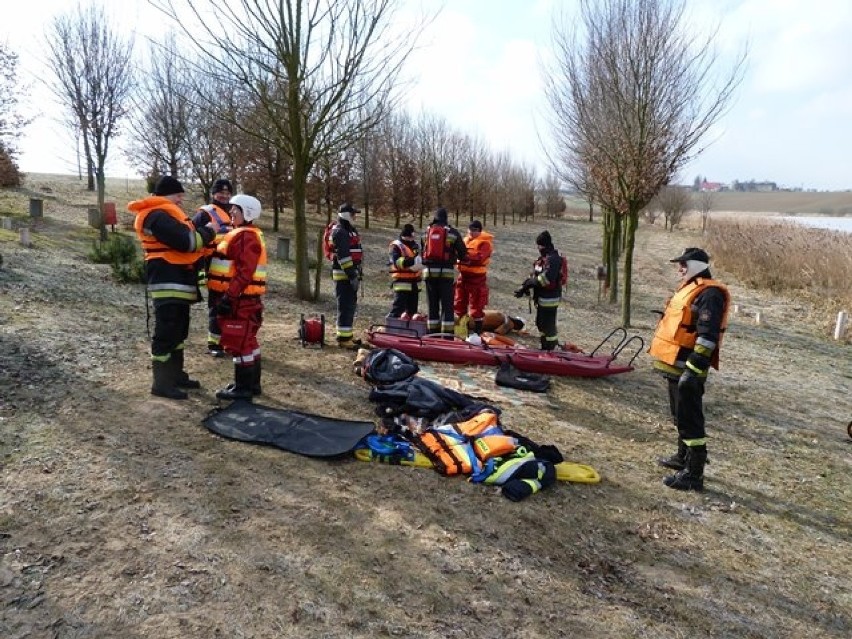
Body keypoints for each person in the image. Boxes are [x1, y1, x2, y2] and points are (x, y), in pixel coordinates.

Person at [649, 247, 730, 491]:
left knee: (691, 420)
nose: (680, 268)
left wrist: (693, 371)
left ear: (696, 265)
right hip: (677, 365)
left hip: (689, 369)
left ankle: (694, 474)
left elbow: (707, 338)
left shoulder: (710, 294)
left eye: (684, 264)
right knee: (679, 415)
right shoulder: (691, 288)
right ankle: (682, 457)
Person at [129, 175, 215, 400]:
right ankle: (161, 382)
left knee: (178, 331)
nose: (180, 199)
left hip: (179, 280)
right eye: (178, 195)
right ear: (166, 194)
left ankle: (176, 375)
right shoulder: (157, 216)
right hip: (167, 280)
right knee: (166, 332)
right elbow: (187, 242)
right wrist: (209, 231)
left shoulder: (166, 213)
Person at [209, 194, 267, 401]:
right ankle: (251, 385)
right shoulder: (247, 234)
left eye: (236, 209)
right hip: (246, 300)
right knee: (248, 342)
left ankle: (243, 389)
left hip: (241, 301)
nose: (231, 212)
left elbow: (245, 272)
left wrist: (228, 298)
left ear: (248, 213)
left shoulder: (245, 236)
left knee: (239, 342)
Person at [192, 178, 234, 357]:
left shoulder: (235, 212)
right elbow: (194, 240)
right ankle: (214, 344)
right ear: (213, 193)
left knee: (232, 307)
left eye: (227, 192)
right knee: (216, 306)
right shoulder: (205, 214)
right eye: (221, 192)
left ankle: (230, 341)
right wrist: (200, 269)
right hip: (213, 267)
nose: (224, 196)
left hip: (233, 269)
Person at [514, 231, 564, 350]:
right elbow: (536, 275)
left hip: (550, 298)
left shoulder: (554, 259)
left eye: (540, 246)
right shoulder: (543, 258)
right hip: (542, 297)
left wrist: (530, 283)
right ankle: (544, 346)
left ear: (545, 245)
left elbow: (545, 279)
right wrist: (525, 286)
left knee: (548, 325)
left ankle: (551, 348)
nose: (539, 248)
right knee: (540, 323)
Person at [421, 207, 466, 335]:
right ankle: (447, 337)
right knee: (447, 307)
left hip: (429, 274)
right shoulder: (452, 232)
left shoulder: (426, 233)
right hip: (445, 274)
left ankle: (432, 334)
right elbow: (463, 253)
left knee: (432, 306)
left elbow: (422, 251)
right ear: (446, 218)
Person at [329, 203, 364, 348]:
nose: (355, 217)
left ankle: (347, 336)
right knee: (345, 306)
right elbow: (343, 257)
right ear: (347, 215)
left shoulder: (348, 230)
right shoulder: (340, 232)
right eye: (353, 214)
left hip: (350, 274)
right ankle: (343, 340)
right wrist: (351, 275)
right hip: (344, 276)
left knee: (350, 306)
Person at [454, 220, 493, 335]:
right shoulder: (465, 241)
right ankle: (461, 328)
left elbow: (479, 258)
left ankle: (478, 330)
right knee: (459, 301)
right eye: (470, 230)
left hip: (477, 277)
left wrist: (463, 256)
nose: (472, 232)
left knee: (476, 303)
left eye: (475, 230)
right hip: (463, 275)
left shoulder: (485, 243)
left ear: (480, 231)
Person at [387, 223, 423, 318]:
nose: (412, 239)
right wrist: (413, 261)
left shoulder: (415, 245)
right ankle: (392, 327)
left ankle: (409, 330)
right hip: (402, 283)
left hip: (414, 283)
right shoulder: (396, 246)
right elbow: (397, 262)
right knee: (398, 309)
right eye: (410, 237)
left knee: (412, 312)